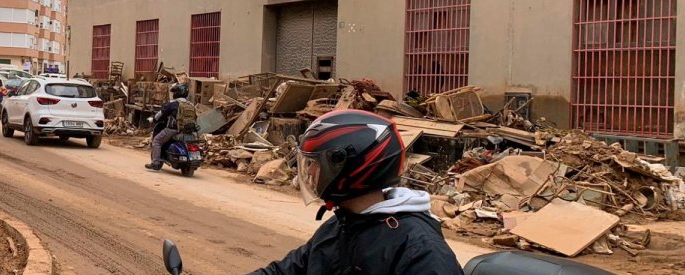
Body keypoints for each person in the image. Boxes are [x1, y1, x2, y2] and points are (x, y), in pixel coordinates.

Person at [248, 110, 463, 275]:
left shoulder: (419, 249)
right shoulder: (342, 225)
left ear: (350, 166)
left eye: (316, 163)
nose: (310, 171)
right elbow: (289, 270)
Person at [145, 83, 195, 171]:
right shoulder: (191, 105)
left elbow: (161, 114)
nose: (173, 94)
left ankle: (155, 163)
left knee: (157, 141)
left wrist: (153, 119)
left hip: (173, 129)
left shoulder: (173, 104)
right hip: (188, 131)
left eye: (174, 92)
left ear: (177, 93)